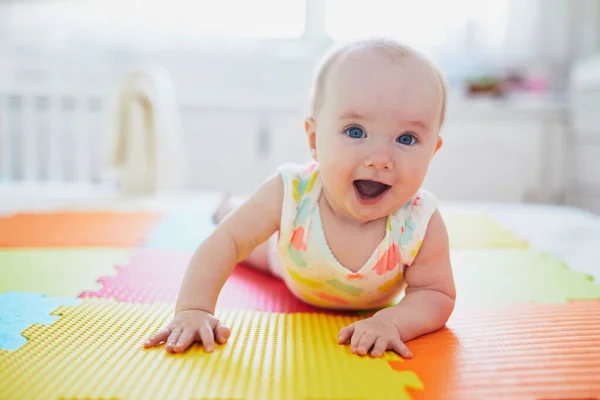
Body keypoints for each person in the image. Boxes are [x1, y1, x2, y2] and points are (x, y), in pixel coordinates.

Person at [144, 38, 456, 359]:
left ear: (432, 150)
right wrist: (194, 309)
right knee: (243, 234)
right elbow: (226, 242)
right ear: (314, 139)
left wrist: (392, 322)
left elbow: (435, 293)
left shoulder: (420, 220)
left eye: (407, 138)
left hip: (329, 275)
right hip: (289, 255)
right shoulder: (291, 193)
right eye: (355, 131)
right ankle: (227, 206)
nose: (379, 158)